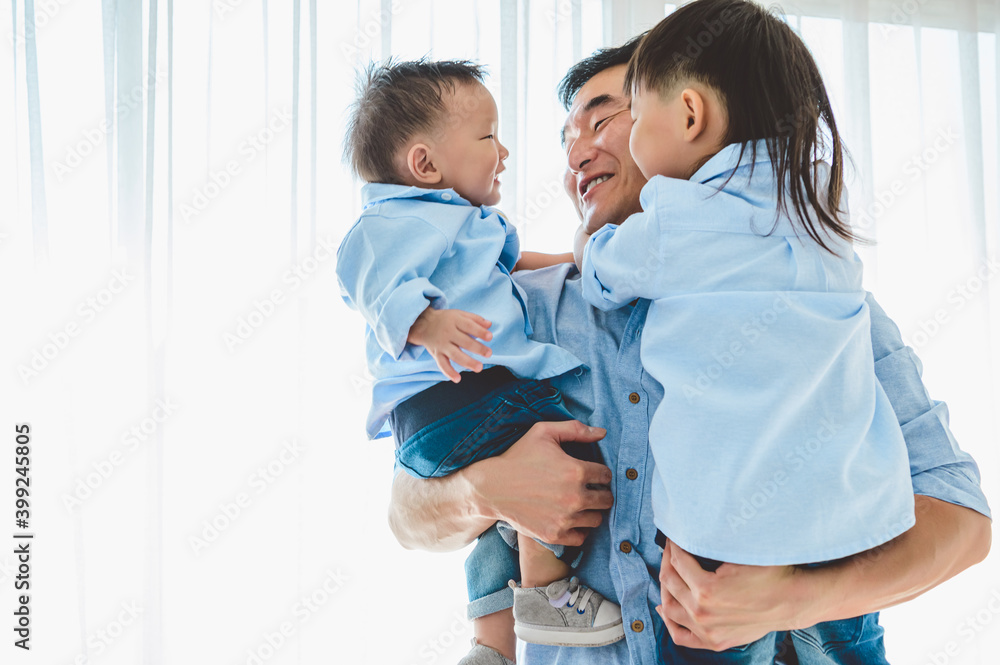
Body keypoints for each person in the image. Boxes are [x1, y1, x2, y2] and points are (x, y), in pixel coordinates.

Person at [386, 36, 992, 665]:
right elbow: (408, 512)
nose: (576, 154)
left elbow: (962, 523)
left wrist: (790, 599)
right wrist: (488, 490)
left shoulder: (820, 309)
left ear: (690, 122)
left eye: (605, 118)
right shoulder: (513, 313)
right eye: (566, 139)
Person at [577, 2, 915, 661]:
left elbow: (605, 268)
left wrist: (584, 249)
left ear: (692, 115)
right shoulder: (823, 218)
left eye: (628, 115)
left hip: (721, 545)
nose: (581, 148)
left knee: (703, 637)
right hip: (850, 527)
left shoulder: (678, 221)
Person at [336, 59, 624, 665]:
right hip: (451, 399)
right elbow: (366, 282)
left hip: (461, 404)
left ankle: (490, 646)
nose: (505, 151)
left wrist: (580, 263)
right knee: (561, 450)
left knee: (504, 525)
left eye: (603, 121)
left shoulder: (470, 227)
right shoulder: (389, 222)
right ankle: (547, 592)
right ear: (425, 164)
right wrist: (426, 323)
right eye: (488, 136)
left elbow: (514, 268)